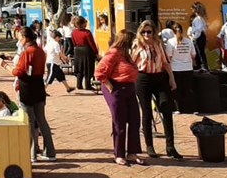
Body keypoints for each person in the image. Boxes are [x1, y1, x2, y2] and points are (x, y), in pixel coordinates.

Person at [3, 27, 56, 162]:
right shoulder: (40, 51)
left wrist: (5, 65)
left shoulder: (28, 52)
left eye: (20, 37)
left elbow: (18, 72)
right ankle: (50, 151)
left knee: (29, 121)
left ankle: (32, 154)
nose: (19, 40)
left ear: (25, 38)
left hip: (27, 87)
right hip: (38, 85)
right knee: (42, 120)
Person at [132, 20, 181, 160]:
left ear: (154, 32)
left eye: (149, 31)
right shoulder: (137, 45)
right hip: (143, 79)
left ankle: (170, 146)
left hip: (159, 78)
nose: (146, 34)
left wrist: (172, 79)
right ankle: (149, 146)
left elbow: (165, 62)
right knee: (147, 112)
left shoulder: (158, 44)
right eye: (143, 32)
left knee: (166, 109)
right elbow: (131, 63)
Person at [96, 30, 146, 166]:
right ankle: (119, 153)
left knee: (135, 119)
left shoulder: (127, 54)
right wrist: (111, 87)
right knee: (120, 121)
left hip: (129, 88)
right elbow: (99, 72)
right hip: (116, 87)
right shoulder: (114, 53)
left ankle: (132, 152)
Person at [166, 23, 196, 113]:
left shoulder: (170, 42)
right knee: (188, 89)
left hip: (175, 68)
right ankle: (190, 109)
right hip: (188, 68)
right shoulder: (189, 41)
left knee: (176, 89)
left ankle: (178, 109)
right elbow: (194, 54)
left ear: (172, 31)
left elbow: (169, 56)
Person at [71, 16, 99, 92]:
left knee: (79, 68)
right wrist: (96, 53)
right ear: (83, 23)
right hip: (87, 51)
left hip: (77, 51)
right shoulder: (87, 32)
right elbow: (92, 44)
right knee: (88, 68)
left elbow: (73, 43)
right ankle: (88, 85)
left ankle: (79, 84)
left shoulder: (73, 32)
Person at [190, 2, 209, 71]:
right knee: (200, 51)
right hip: (201, 36)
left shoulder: (198, 19)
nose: (191, 10)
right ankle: (202, 66)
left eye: (192, 9)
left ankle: (202, 66)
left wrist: (194, 38)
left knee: (199, 52)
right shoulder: (201, 18)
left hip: (199, 37)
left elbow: (199, 30)